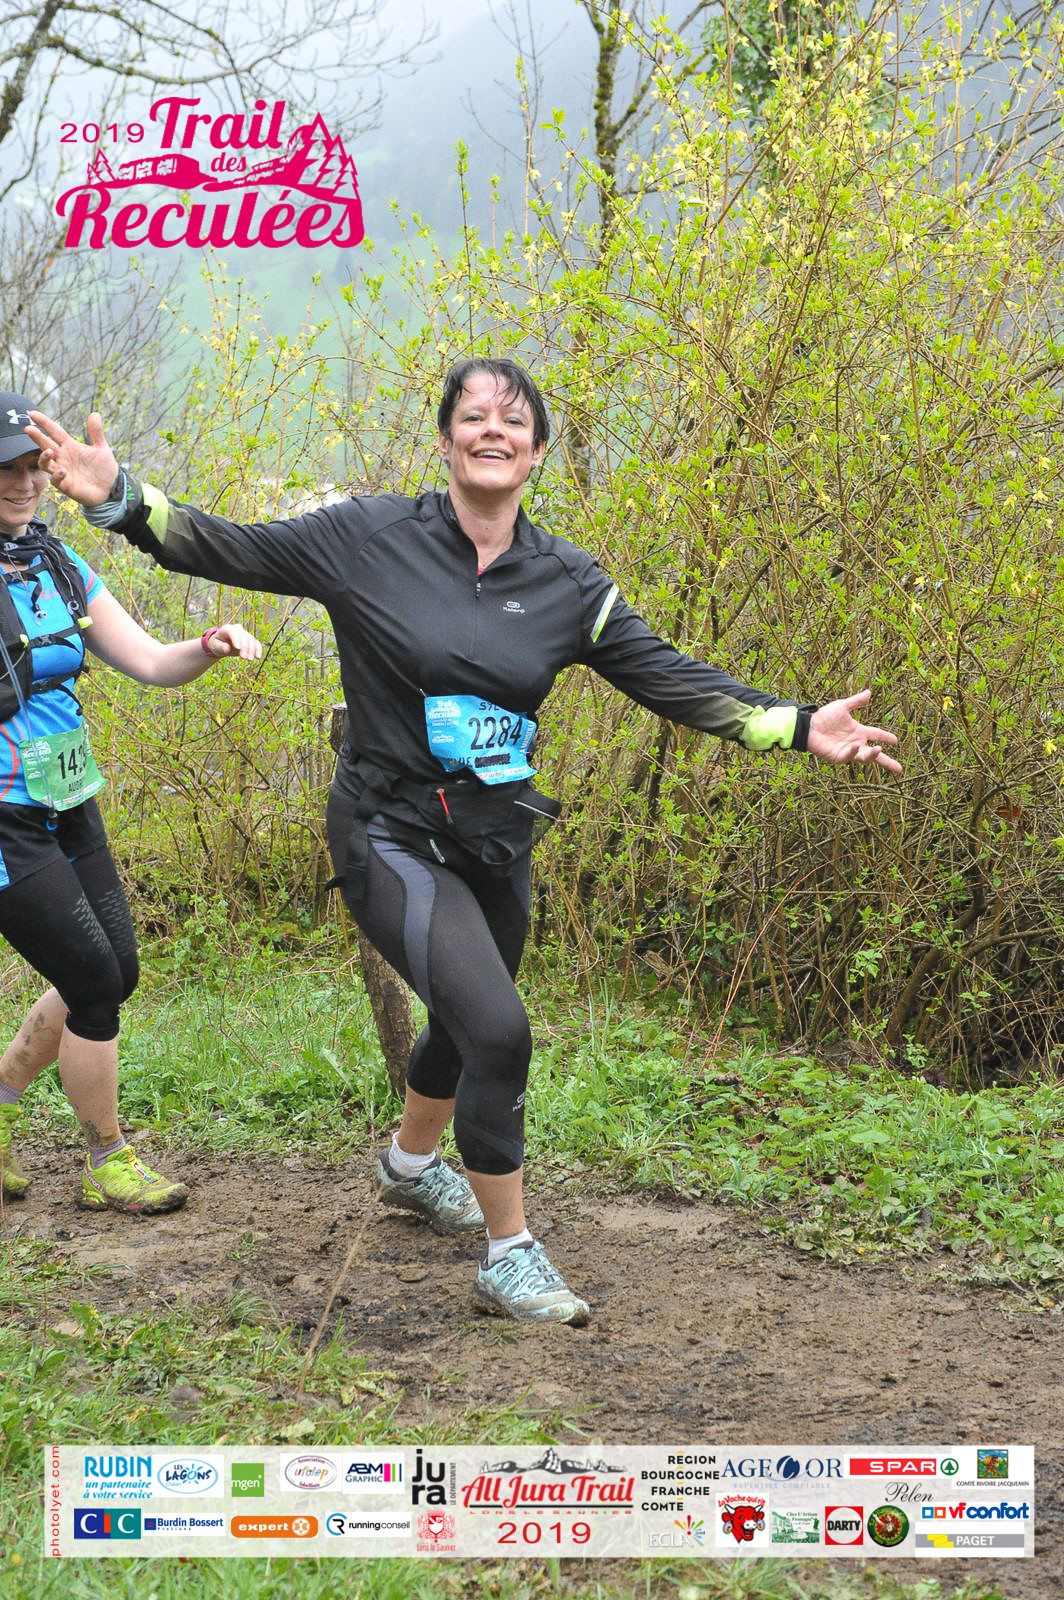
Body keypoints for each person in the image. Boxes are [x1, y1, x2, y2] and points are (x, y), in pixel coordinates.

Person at [27, 358, 900, 1317]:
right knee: (498, 1029)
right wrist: (121, 498)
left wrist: (798, 724)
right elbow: (226, 547)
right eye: (473, 416)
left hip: (495, 840)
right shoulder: (369, 539)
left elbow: (672, 679)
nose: (493, 431)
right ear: (445, 440)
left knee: (462, 1017)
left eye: (514, 421)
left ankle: (408, 1167)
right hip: (386, 832)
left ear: (538, 451)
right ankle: (509, 1253)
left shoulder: (568, 582)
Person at [0, 393, 262, 1215]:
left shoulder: (57, 566)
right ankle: (106, 1159)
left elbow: (147, 659)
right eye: (4, 468)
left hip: (68, 799)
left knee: (119, 971)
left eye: (31, 465)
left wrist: (209, 645)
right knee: (92, 980)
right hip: (4, 818)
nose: (22, 482)